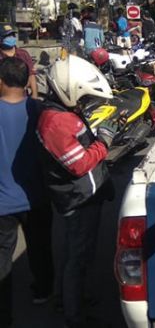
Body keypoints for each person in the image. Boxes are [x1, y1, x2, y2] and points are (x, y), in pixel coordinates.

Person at [38, 55, 117, 327]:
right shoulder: (55, 123)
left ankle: (67, 298)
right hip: (78, 198)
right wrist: (104, 143)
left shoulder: (61, 113)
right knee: (78, 257)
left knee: (74, 253)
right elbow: (80, 164)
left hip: (84, 194)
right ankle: (74, 314)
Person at [0, 58, 54, 328]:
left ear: (1, 81)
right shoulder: (39, 110)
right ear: (27, 82)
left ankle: (4, 312)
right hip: (37, 197)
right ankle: (44, 290)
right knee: (41, 247)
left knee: (2, 258)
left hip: (2, 203)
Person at [0, 25, 38, 99]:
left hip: (22, 97)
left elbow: (31, 75)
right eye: (7, 36)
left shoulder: (23, 54)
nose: (11, 37)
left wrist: (34, 96)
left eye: (12, 35)